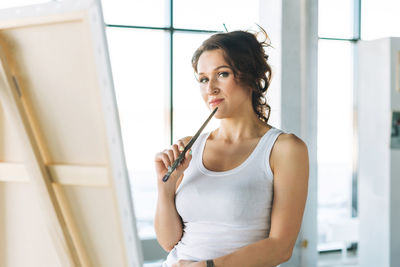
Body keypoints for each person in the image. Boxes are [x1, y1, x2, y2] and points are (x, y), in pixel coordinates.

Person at [154, 29, 309, 267]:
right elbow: (168, 242)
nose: (210, 88)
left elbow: (281, 247)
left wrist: (207, 266)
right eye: (204, 79)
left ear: (250, 76)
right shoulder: (188, 146)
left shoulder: (285, 149)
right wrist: (165, 188)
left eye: (222, 74)